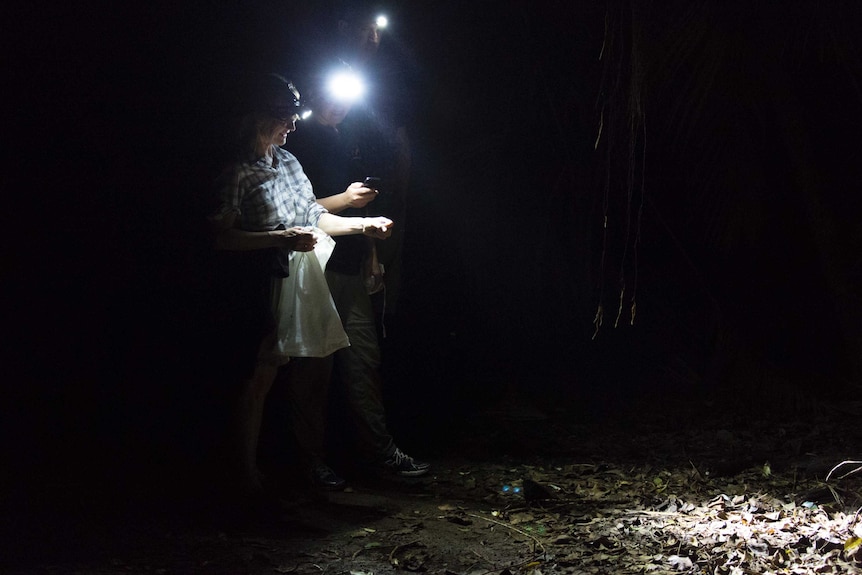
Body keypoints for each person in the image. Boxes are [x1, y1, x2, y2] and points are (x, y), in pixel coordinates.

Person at [208, 72, 394, 500]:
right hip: (254, 284)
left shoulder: (288, 162)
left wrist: (361, 224)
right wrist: (278, 238)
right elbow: (220, 237)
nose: (293, 126)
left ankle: (268, 472)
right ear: (258, 119)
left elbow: (311, 215)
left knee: (281, 372)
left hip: (295, 281)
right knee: (255, 379)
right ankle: (244, 479)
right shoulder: (237, 171)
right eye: (285, 118)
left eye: (294, 117)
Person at [286, 63, 430, 478]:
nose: (344, 103)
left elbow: (358, 201)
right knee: (314, 367)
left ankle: (378, 453)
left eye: (351, 95)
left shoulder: (345, 137)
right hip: (314, 266)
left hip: (350, 264)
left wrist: (369, 251)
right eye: (338, 93)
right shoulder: (297, 138)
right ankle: (309, 462)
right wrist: (347, 202)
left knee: (363, 361)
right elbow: (300, 210)